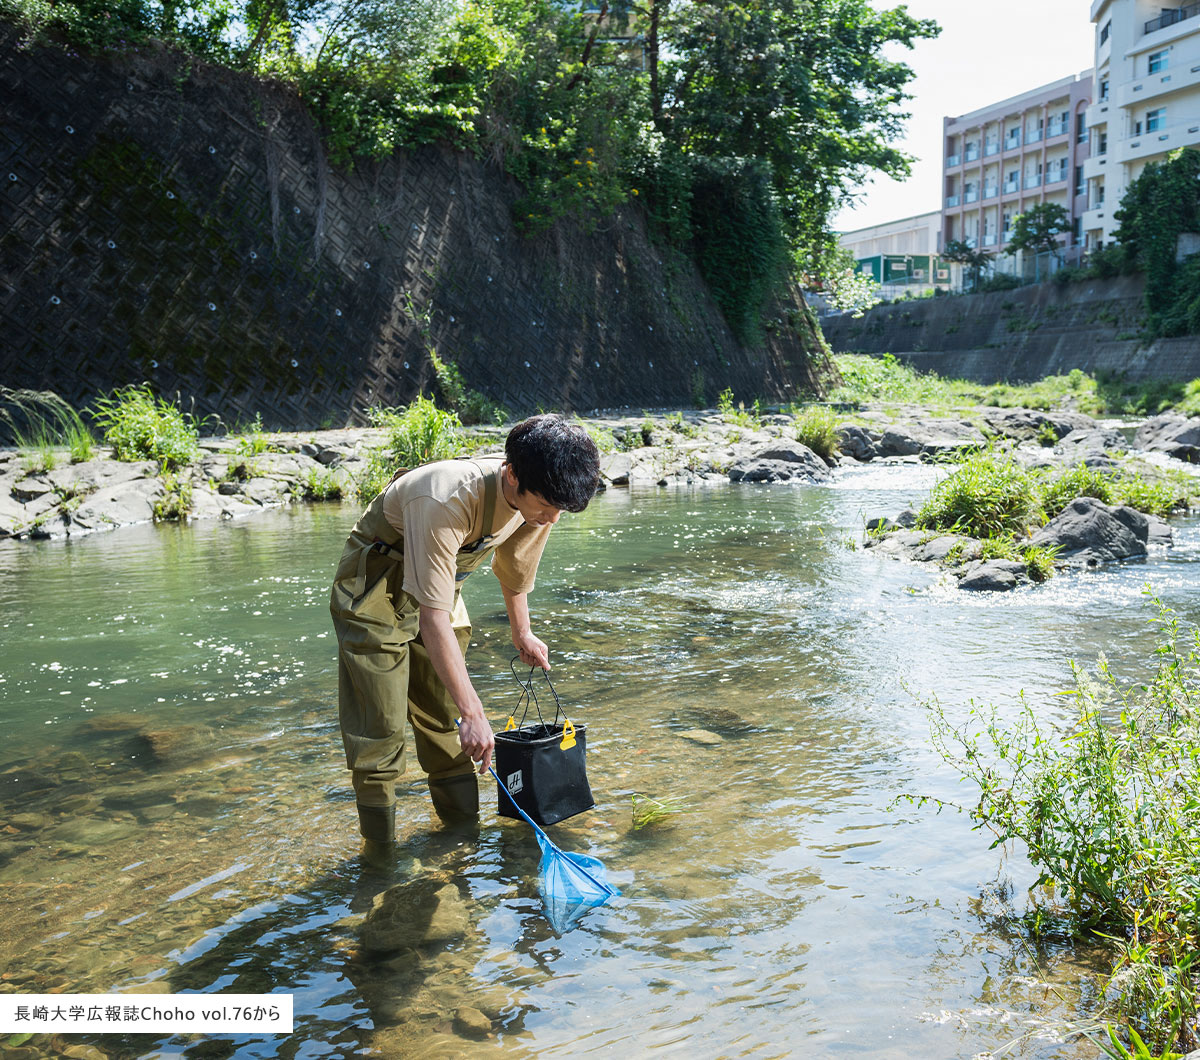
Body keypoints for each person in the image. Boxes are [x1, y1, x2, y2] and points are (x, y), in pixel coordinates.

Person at [329, 413, 601, 845]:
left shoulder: (542, 494)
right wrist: (475, 714)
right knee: (379, 729)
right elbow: (432, 617)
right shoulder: (445, 498)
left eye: (560, 510)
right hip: (375, 587)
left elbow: (515, 568)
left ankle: (462, 844)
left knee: (447, 722)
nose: (552, 519)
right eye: (547, 507)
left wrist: (522, 632)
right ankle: (380, 861)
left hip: (443, 588)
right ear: (512, 476)